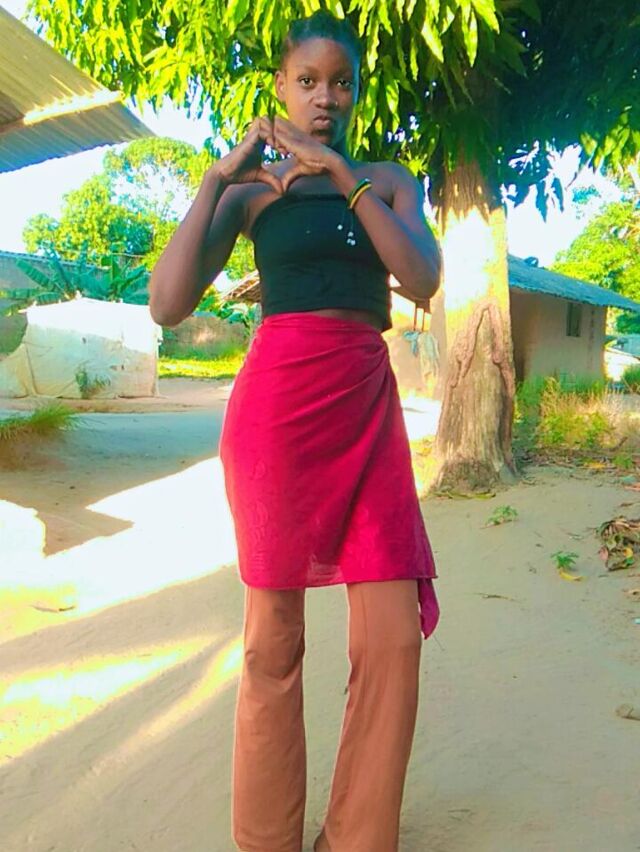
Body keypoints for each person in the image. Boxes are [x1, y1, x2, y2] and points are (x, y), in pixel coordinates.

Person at [149, 11, 442, 851]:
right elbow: (167, 303)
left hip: (366, 415)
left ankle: (356, 837)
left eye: (340, 82)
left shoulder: (386, 180)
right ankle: (267, 839)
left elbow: (422, 277)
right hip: (276, 421)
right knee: (273, 639)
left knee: (391, 638)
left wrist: (344, 177)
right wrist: (218, 179)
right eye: (307, 81)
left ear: (355, 94)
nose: (324, 97)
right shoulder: (252, 194)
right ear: (280, 88)